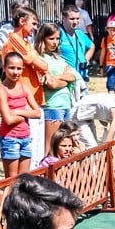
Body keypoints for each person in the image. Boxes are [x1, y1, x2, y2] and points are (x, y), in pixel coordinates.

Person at [0, 52, 42, 177]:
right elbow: (8, 120)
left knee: (24, 179)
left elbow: (38, 113)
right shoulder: (1, 90)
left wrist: (18, 112)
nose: (15, 72)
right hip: (10, 138)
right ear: (4, 67)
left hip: (25, 137)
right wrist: (27, 114)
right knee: (11, 179)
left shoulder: (24, 87)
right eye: (12, 68)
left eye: (19, 68)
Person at [34, 22, 78, 153]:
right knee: (52, 145)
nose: (55, 42)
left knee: (65, 144)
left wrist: (59, 77)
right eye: (51, 38)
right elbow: (50, 84)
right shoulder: (40, 58)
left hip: (66, 104)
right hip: (53, 106)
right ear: (43, 38)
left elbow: (73, 76)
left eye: (57, 39)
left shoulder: (58, 57)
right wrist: (64, 77)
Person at [59, 4, 95, 91]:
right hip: (67, 79)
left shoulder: (80, 33)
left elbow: (92, 46)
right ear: (63, 18)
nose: (75, 22)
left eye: (77, 18)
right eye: (72, 19)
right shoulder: (57, 34)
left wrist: (85, 60)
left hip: (82, 77)